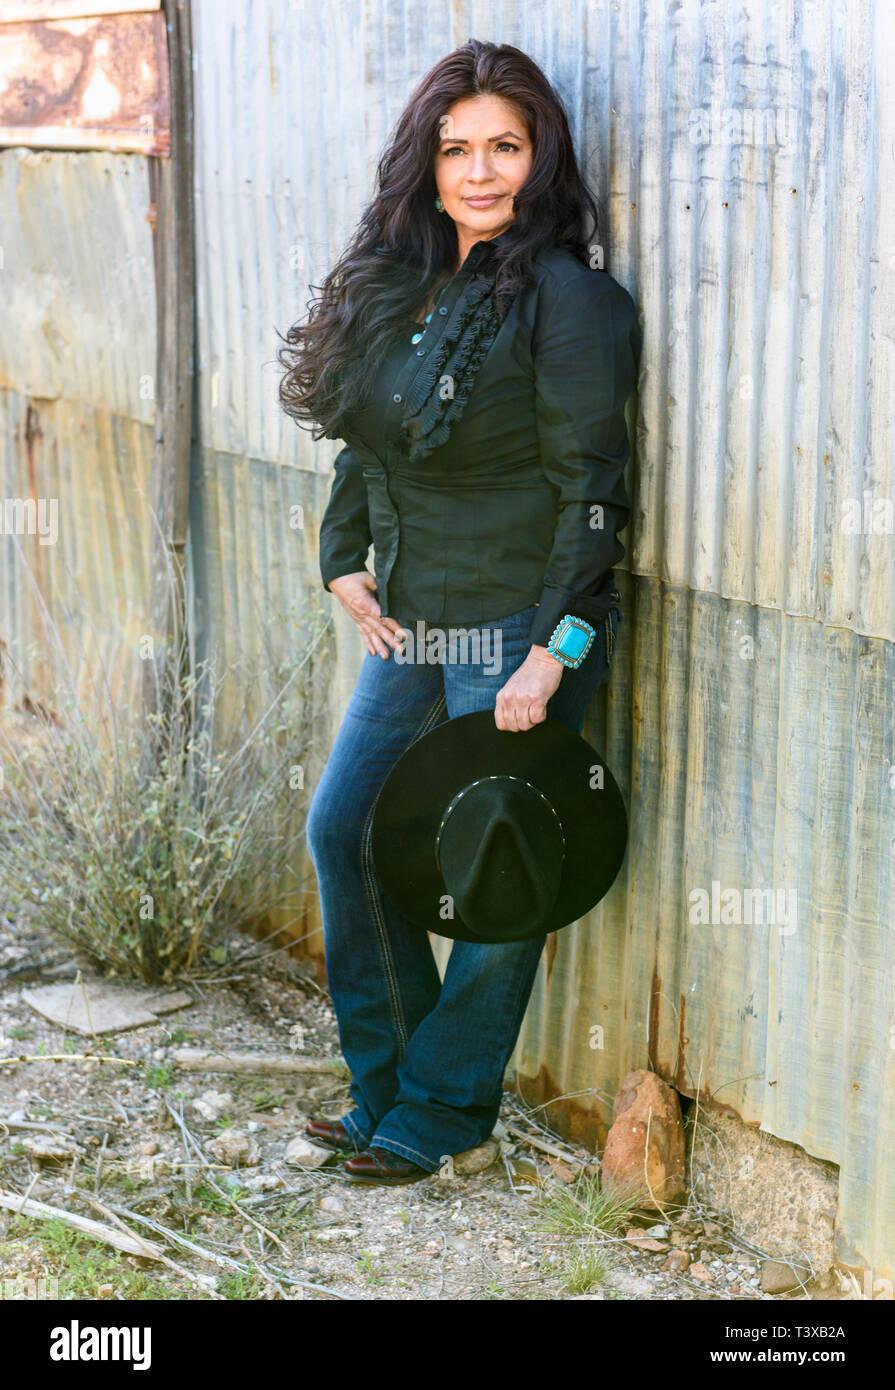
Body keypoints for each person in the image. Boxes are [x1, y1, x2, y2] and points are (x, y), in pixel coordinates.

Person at [278, 38, 641, 1185]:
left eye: (504, 147)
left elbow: (594, 496)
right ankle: (385, 1087)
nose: (479, 171)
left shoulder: (574, 305)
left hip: (520, 627)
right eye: (456, 149)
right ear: (424, 165)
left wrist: (554, 652)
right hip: (417, 621)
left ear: (541, 161)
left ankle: (444, 1111)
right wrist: (344, 557)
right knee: (346, 830)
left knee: (498, 868)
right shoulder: (405, 283)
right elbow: (365, 439)